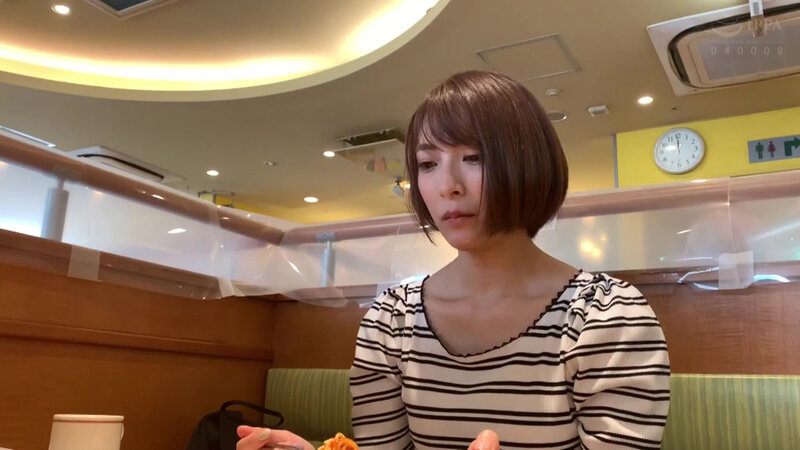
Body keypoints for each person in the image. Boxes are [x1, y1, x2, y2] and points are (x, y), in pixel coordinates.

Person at [237, 71, 670, 450]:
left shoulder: (608, 315)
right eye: (427, 164)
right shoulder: (390, 320)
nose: (447, 185)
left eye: (473, 157)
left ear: (529, 163)